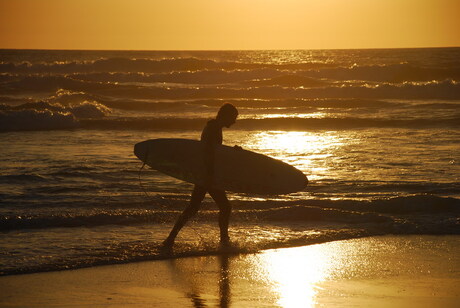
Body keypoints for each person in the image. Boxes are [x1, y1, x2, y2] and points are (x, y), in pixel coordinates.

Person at [163, 103, 239, 248]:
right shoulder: (214, 128)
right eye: (234, 117)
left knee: (194, 208)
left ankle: (170, 239)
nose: (234, 121)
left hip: (204, 173)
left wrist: (231, 152)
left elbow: (214, 150)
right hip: (207, 174)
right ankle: (224, 241)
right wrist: (210, 176)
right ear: (227, 115)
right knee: (224, 207)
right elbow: (209, 152)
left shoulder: (213, 126)